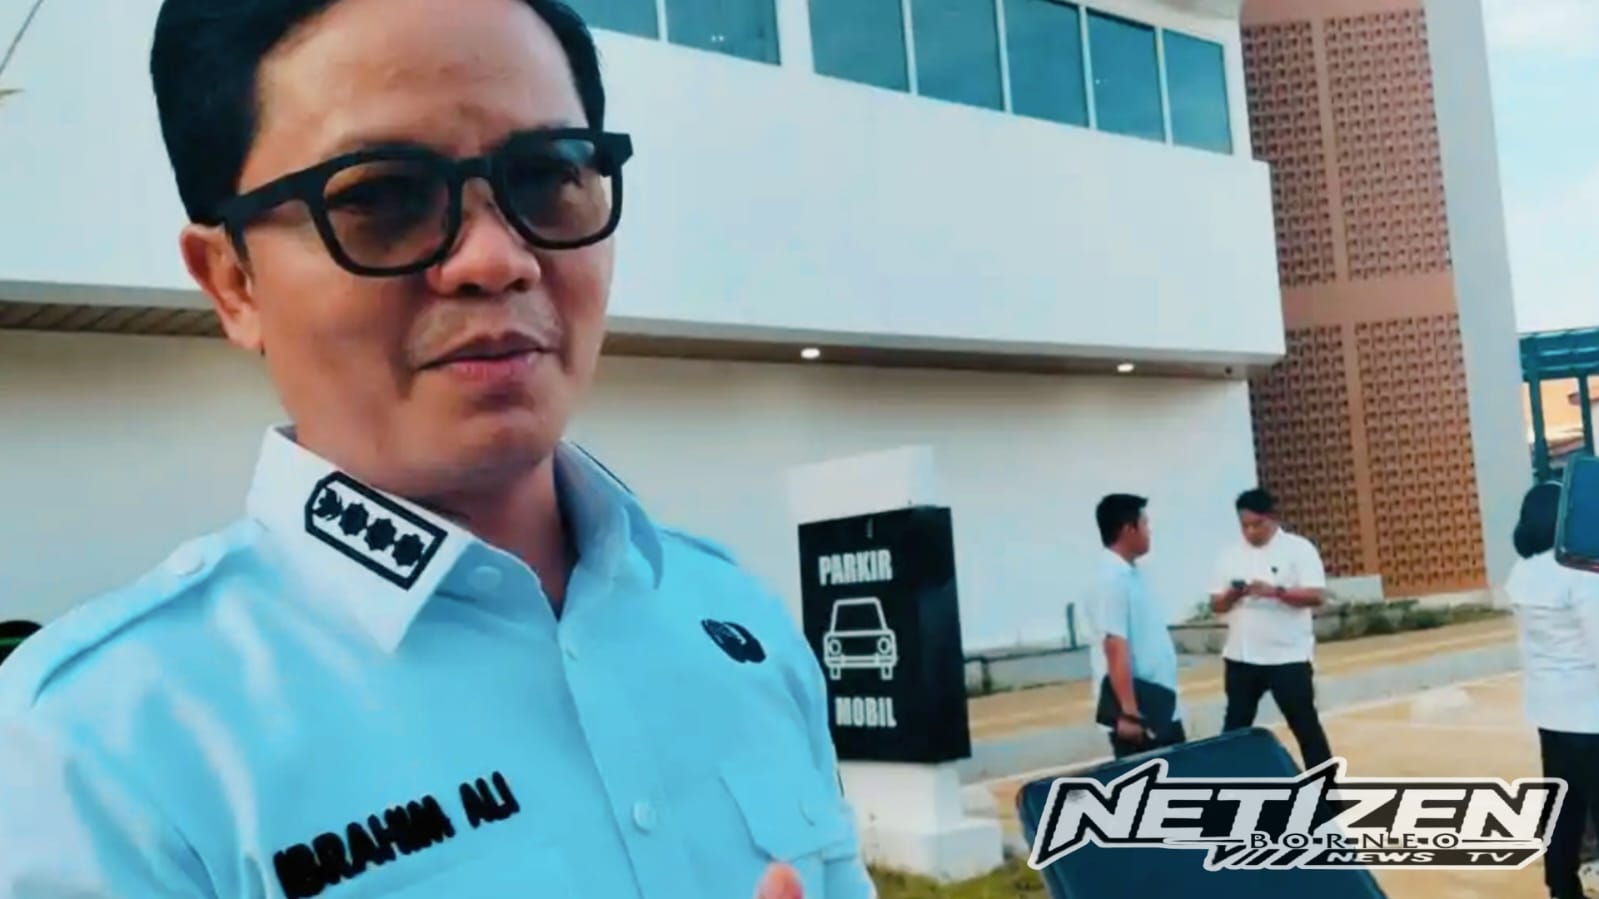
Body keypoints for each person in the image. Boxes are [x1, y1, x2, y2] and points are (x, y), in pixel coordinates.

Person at [0, 2, 868, 897]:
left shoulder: (735, 619)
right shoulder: (98, 757)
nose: (495, 259)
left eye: (547, 175)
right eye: (381, 196)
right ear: (233, 282)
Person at [1503, 481, 1599, 899]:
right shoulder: (1579, 573)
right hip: (1590, 713)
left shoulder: (1523, 572)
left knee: (1563, 807)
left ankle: (1561, 887)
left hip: (1550, 712)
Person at [1210, 488, 1334, 771]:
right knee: (1234, 729)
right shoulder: (1229, 555)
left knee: (1305, 727)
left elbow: (1316, 596)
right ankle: (1226, 786)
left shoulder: (1299, 549)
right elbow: (1216, 604)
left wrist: (1275, 592)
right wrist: (1232, 594)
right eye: (1245, 526)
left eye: (1258, 524)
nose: (1251, 532)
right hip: (1241, 656)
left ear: (1273, 518)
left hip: (1287, 656)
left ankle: (1326, 790)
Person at [1084, 494, 1186, 759]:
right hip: (1141, 712)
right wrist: (1129, 713)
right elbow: (1114, 646)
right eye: (1144, 524)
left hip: (1160, 705)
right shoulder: (1110, 580)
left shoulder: (1133, 574)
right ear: (1129, 529)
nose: (1149, 531)